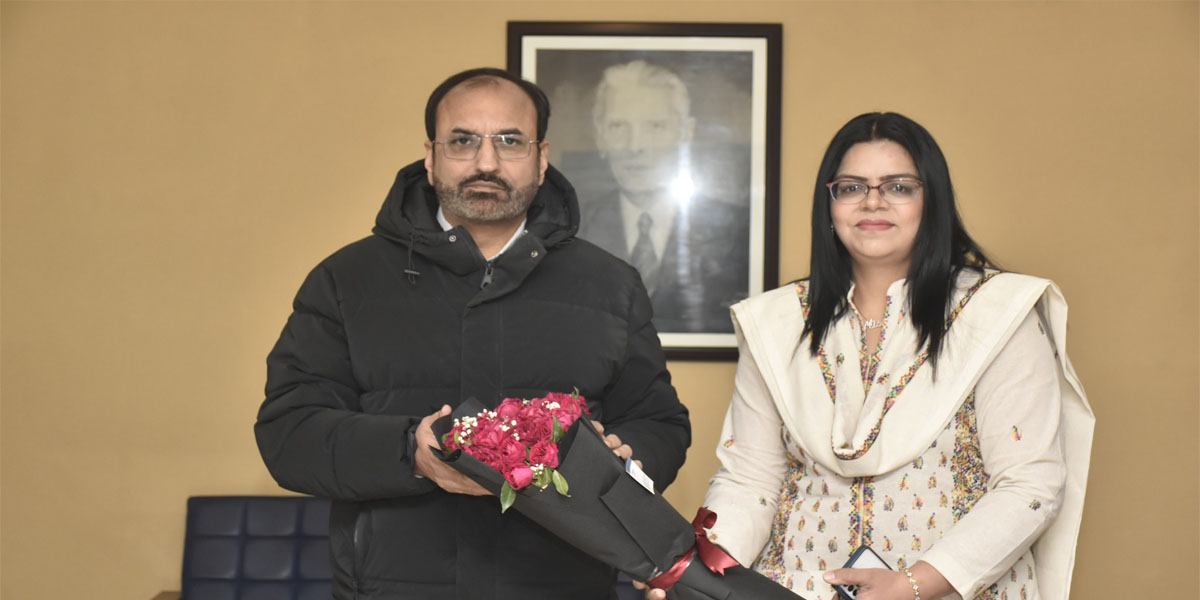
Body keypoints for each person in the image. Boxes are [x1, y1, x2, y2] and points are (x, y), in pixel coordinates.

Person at [254, 67, 691, 600]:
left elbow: (658, 421)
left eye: (509, 141)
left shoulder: (610, 285)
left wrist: (623, 458)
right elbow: (289, 432)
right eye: (463, 141)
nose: (487, 162)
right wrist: (406, 452)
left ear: (541, 156)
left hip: (562, 585)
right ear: (431, 156)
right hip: (388, 588)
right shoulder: (346, 280)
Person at [649, 113, 1093, 599]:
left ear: (931, 200)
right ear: (830, 203)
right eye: (852, 187)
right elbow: (751, 479)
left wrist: (914, 584)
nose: (873, 201)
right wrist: (690, 574)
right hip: (799, 586)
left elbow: (1029, 484)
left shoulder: (996, 314)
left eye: (899, 186)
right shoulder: (776, 324)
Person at [577, 60, 750, 334]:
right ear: (600, 137)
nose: (635, 147)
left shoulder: (739, 230)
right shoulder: (573, 230)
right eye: (618, 126)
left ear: (685, 133)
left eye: (655, 126)